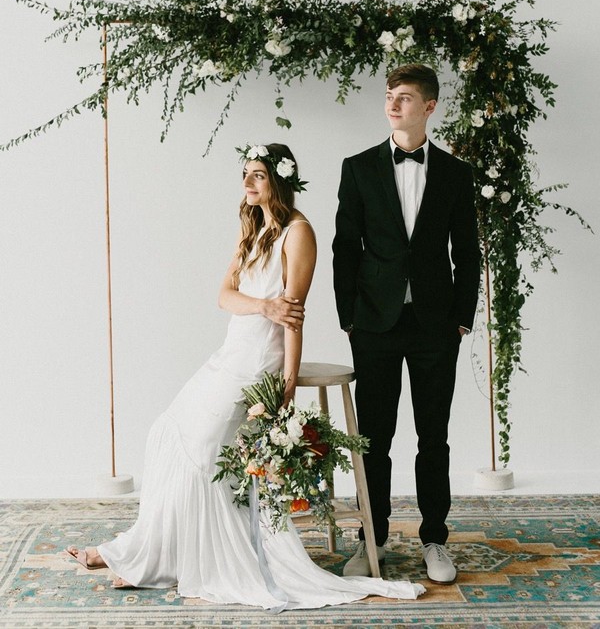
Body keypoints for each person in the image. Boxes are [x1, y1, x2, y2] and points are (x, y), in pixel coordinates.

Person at [66, 142, 425, 609]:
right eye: (246, 174)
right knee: (167, 434)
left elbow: (293, 317)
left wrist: (288, 382)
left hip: (260, 361)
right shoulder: (251, 229)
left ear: (278, 179)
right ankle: (150, 551)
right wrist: (262, 305)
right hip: (230, 352)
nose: (248, 182)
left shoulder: (299, 233)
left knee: (207, 449)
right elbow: (223, 296)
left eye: (257, 174)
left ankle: (163, 558)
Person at [333, 64, 481, 584]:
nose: (394, 105)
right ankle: (369, 541)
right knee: (373, 437)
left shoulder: (456, 174)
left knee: (432, 436)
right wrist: (348, 316)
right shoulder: (358, 168)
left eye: (405, 98)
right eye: (390, 96)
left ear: (430, 107)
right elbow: (344, 247)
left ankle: (435, 540)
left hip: (436, 325)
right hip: (373, 323)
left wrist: (462, 318)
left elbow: (467, 252)